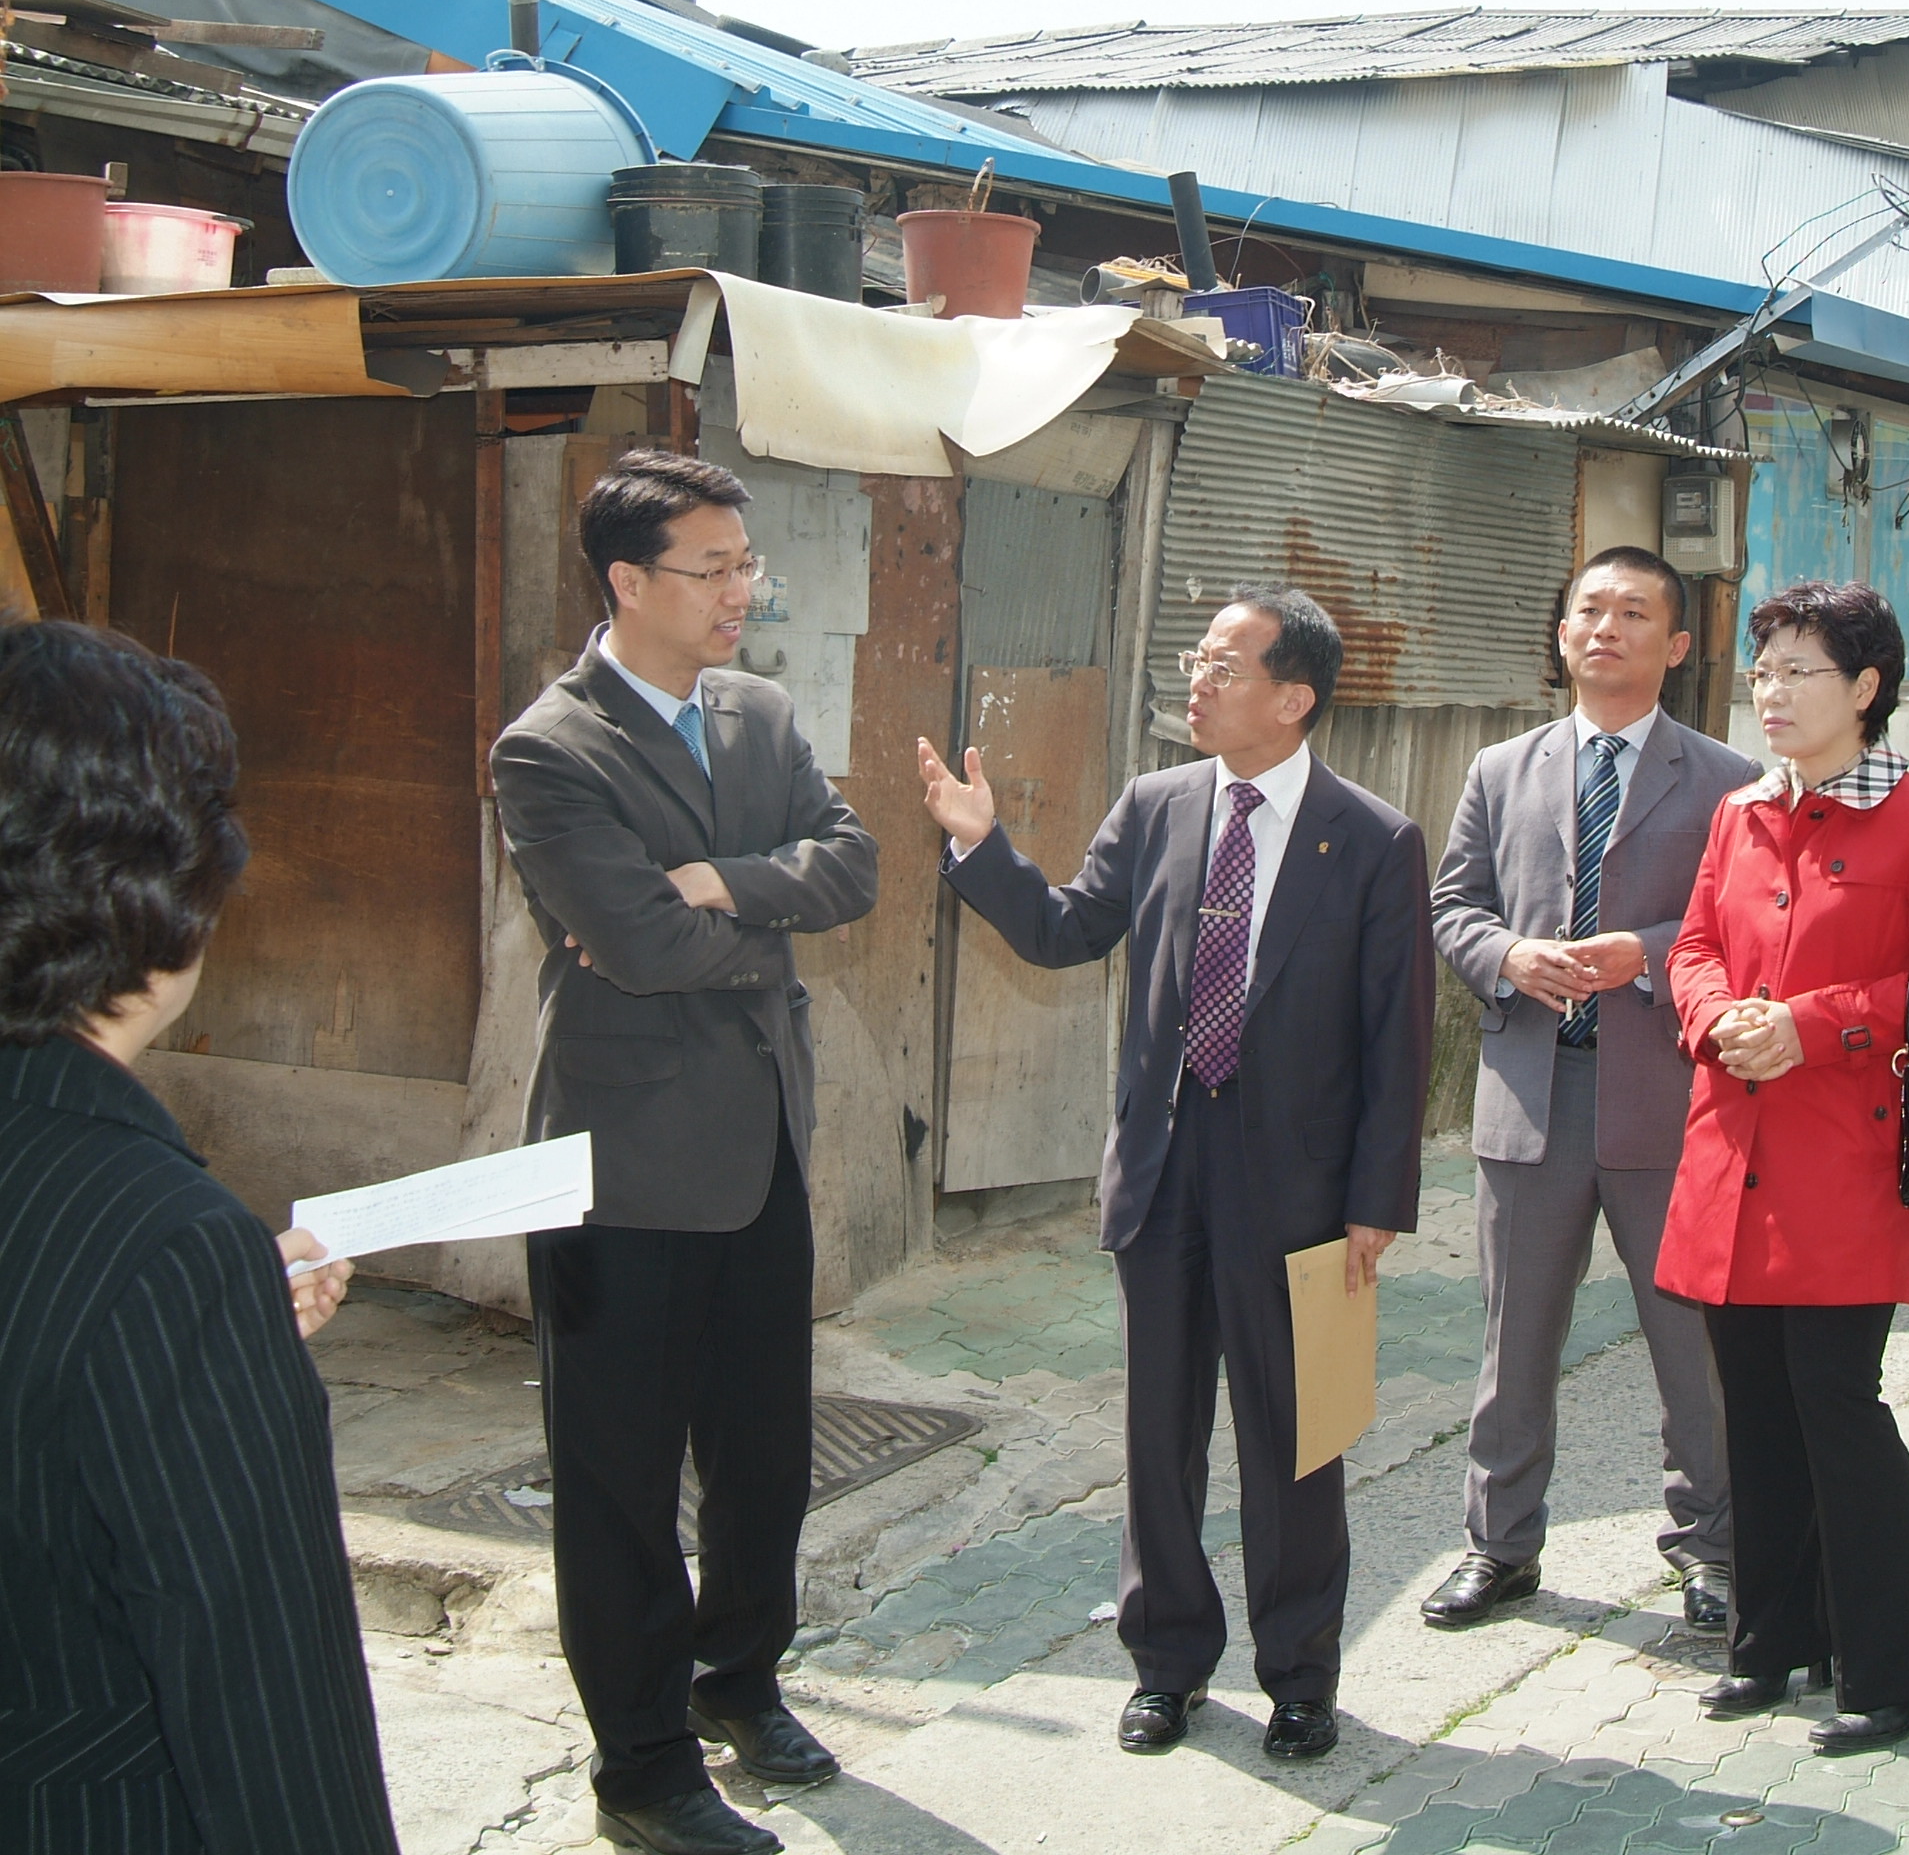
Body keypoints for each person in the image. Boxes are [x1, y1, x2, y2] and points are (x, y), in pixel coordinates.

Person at [917, 583, 1433, 1763]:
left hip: (1300, 1187)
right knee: (1161, 1432)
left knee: (1298, 1439)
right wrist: (978, 844)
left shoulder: (1371, 838)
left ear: (1294, 697)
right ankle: (1165, 1665)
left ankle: (1301, 1675)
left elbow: (1396, 1039)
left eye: (1225, 666)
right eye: (1197, 661)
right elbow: (1066, 931)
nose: (1197, 682)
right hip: (1165, 1162)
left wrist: (1375, 1202)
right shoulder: (1156, 805)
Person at [491, 450, 879, 1855]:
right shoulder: (550, 746)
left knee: (766, 1454)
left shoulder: (758, 713)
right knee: (619, 1474)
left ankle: (741, 1682)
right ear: (628, 583)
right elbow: (638, 950)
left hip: (763, 1145)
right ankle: (644, 1767)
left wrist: (726, 884)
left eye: (745, 565)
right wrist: (753, 911)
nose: (740, 591)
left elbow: (856, 864)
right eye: (712, 569)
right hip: (626, 1167)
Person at [0, 618, 398, 1854]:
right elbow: (271, 1710)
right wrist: (198, 1309)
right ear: (178, 896)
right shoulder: (166, 1246)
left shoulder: (155, 1254)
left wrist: (205, 1328)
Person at [1658, 580, 1909, 1757]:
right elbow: (1694, 943)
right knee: (1755, 1414)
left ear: (1866, 688)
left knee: (1838, 1408)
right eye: (1765, 669)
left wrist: (1817, 1023)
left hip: (1842, 1166)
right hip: (1732, 1159)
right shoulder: (1740, 813)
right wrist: (1713, 1017)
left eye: (1800, 670)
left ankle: (1895, 1664)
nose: (1773, 691)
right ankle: (1773, 1642)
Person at [1424, 547, 1756, 1634]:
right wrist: (1508, 957)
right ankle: (1500, 1549)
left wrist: (1646, 953)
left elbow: (1750, 928)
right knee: (1513, 1346)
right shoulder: (1500, 768)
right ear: (1561, 635)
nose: (1605, 629)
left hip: (1663, 1099)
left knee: (1690, 1347)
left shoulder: (1724, 781)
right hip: (1531, 1096)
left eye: (1633, 613)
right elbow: (1453, 906)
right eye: (1588, 611)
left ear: (1676, 643)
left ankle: (1713, 1551)